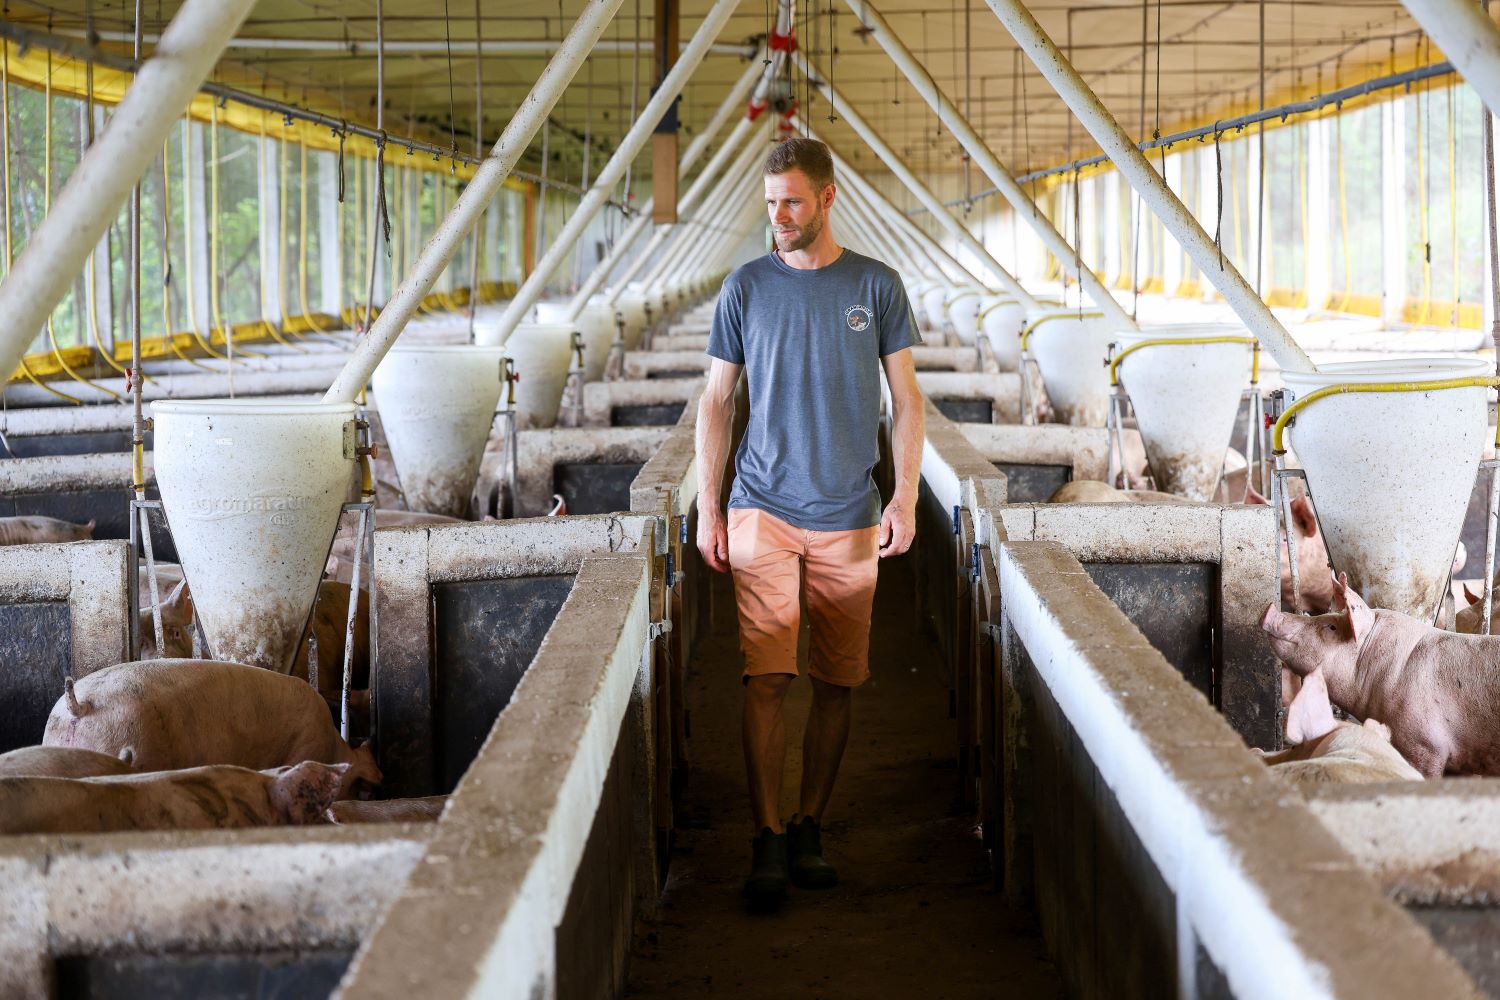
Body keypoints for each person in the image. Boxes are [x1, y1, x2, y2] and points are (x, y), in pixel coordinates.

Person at [694, 135, 926, 907]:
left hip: (849, 511)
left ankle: (808, 825)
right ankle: (765, 835)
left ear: (828, 198)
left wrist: (904, 495)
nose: (780, 216)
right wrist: (710, 506)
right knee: (767, 677)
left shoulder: (876, 286)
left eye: (792, 201)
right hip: (760, 504)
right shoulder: (745, 288)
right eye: (771, 204)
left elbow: (906, 401)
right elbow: (717, 401)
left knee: (836, 682)